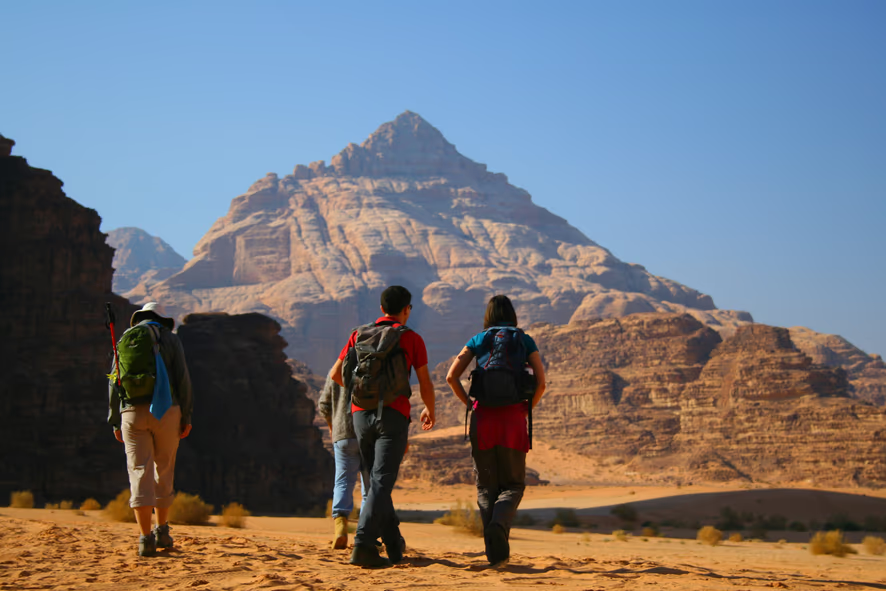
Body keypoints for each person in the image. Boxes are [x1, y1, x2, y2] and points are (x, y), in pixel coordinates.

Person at [330, 285, 435, 568]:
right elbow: (424, 381)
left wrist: (359, 397)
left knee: (377, 481)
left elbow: (335, 375)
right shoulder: (411, 338)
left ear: (381, 309)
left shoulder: (357, 334)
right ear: (407, 310)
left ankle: (393, 545)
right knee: (381, 481)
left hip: (360, 416)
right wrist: (430, 408)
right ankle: (363, 544)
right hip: (393, 416)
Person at [445, 294, 546, 567]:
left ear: (488, 316)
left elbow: (451, 376)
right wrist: (526, 408)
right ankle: (498, 527)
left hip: (483, 419)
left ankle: (494, 553)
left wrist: (469, 403)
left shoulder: (478, 340)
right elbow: (541, 383)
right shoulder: (524, 340)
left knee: (485, 487)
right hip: (513, 420)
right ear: (512, 314)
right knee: (513, 485)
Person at [108, 302, 193, 557]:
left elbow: (114, 380)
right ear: (161, 318)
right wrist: (186, 415)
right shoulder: (171, 339)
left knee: (138, 472)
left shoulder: (125, 339)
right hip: (167, 409)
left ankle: (145, 538)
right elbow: (182, 378)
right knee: (163, 468)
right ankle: (162, 531)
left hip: (131, 412)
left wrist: (115, 418)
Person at [317, 375, 368, 549]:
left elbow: (324, 405)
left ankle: (340, 528)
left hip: (342, 434)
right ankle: (366, 534)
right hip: (368, 433)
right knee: (369, 485)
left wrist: (333, 427)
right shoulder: (370, 362)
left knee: (343, 481)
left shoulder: (336, 369)